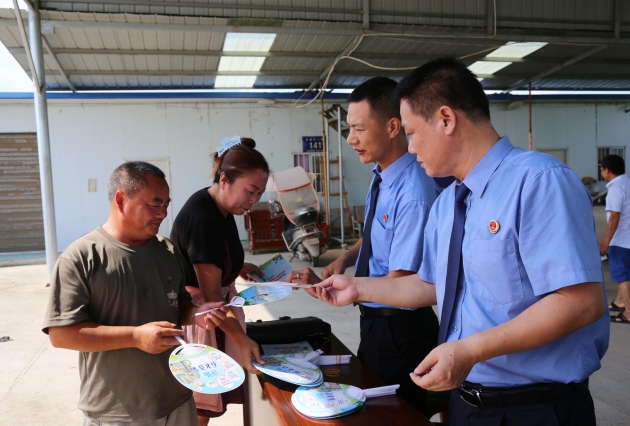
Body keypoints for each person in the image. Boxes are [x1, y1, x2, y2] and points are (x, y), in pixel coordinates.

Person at [312, 58, 609, 426]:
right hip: (467, 402)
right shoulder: (448, 204)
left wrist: (470, 350)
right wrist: (355, 287)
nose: (409, 145)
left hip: (534, 408)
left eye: (412, 132)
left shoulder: (538, 181)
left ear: (446, 119)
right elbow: (431, 285)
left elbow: (579, 302)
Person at [286, 77, 440, 415]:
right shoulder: (382, 176)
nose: (350, 139)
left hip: (400, 329)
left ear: (392, 126)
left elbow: (401, 283)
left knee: (395, 414)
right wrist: (344, 259)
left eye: (358, 129)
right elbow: (375, 234)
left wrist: (351, 288)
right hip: (374, 320)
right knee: (371, 402)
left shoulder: (413, 191)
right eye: (348, 129)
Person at [42, 161, 227, 426]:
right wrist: (135, 336)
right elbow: (61, 334)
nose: (163, 213)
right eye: (154, 204)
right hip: (117, 411)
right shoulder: (82, 256)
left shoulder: (168, 251)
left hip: (178, 400)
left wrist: (197, 313)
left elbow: (179, 304)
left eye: (166, 205)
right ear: (121, 199)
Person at [170, 136, 269, 425]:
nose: (254, 201)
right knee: (201, 406)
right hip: (204, 317)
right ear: (224, 179)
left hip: (217, 310)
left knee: (207, 404)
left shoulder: (222, 207)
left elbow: (214, 258)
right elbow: (211, 301)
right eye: (250, 191)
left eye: (260, 193)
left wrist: (238, 266)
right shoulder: (204, 218)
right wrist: (241, 338)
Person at [599, 154, 630, 324]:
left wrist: (606, 242)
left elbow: (615, 217)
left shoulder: (616, 189)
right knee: (625, 272)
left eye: (602, 169)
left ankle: (629, 312)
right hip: (628, 238)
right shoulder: (627, 183)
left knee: (622, 276)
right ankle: (619, 302)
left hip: (622, 240)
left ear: (607, 170)